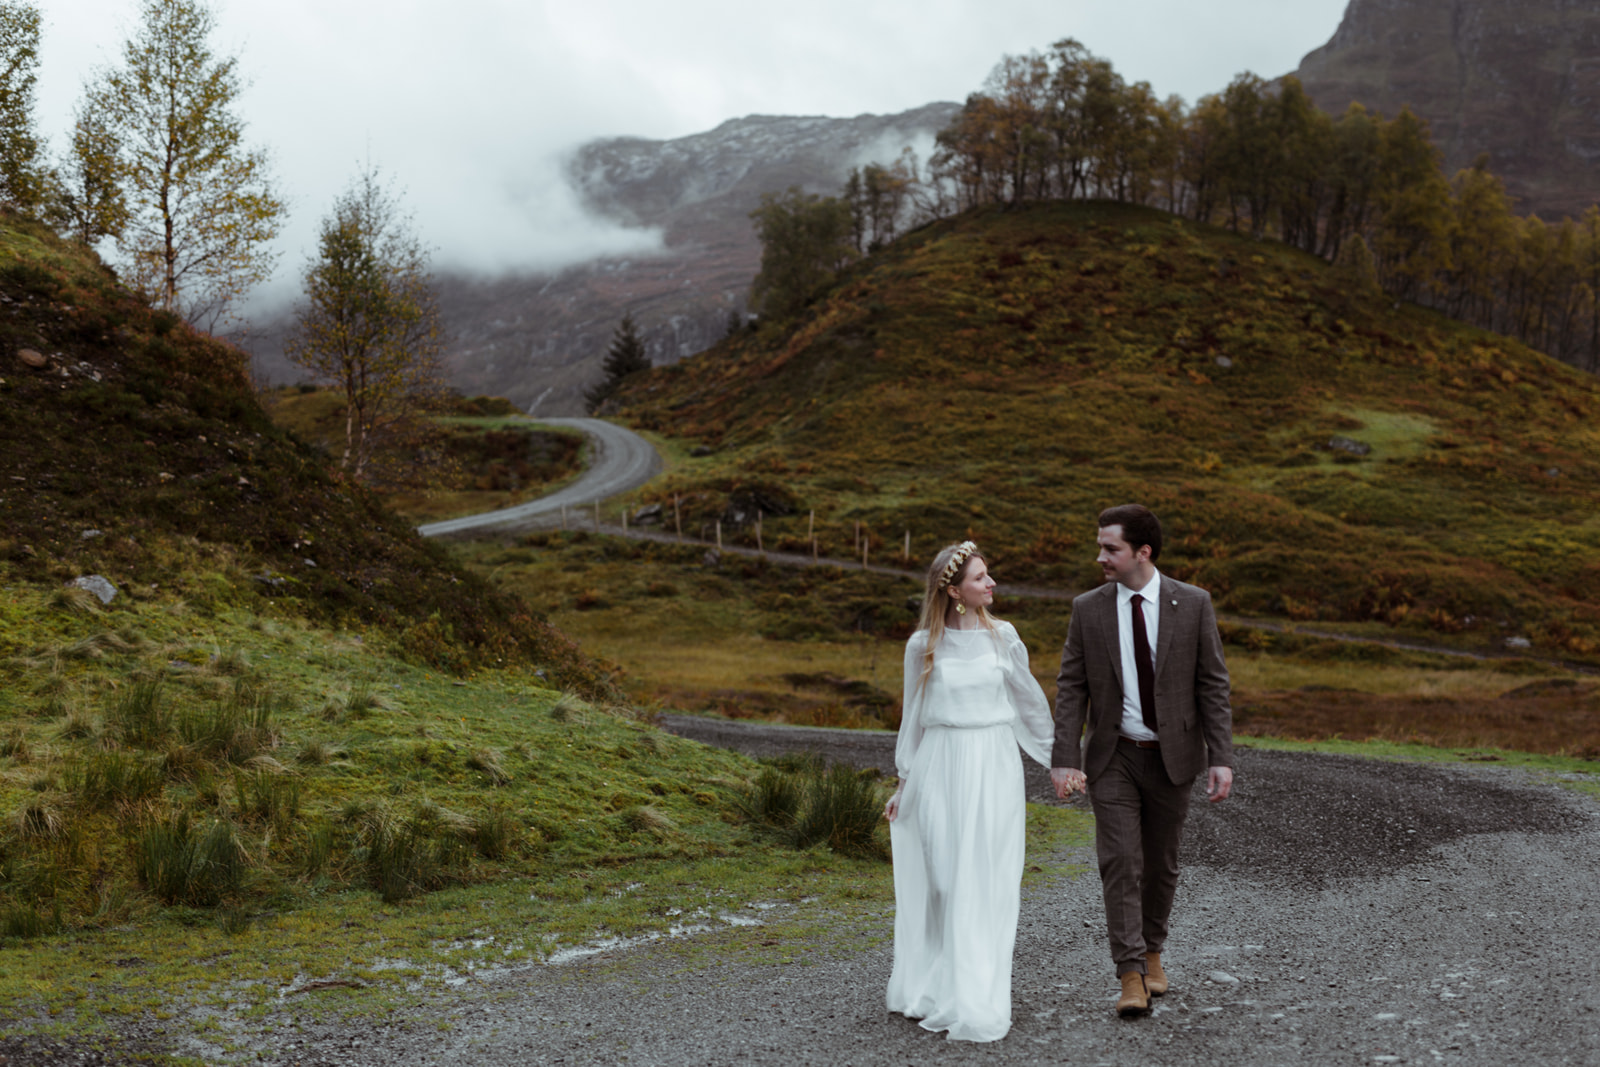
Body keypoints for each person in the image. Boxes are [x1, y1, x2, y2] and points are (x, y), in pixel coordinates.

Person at [1051, 504, 1234, 1017]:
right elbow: (1072, 687)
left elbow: (1212, 684)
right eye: (1101, 547)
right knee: (1120, 863)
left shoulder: (1193, 603)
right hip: (1114, 758)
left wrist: (1220, 755)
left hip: (1174, 758)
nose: (1101, 557)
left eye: (1110, 548)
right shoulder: (1087, 608)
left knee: (1161, 866)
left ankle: (1153, 953)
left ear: (1142, 552)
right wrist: (1065, 757)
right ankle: (1130, 975)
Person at [883, 540, 1055, 1042]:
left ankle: (977, 994)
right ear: (956, 591)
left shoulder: (1004, 637)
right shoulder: (922, 646)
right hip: (939, 763)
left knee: (987, 879)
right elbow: (912, 719)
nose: (992, 584)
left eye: (989, 575)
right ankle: (932, 987)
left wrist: (1060, 762)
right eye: (981, 578)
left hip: (994, 765)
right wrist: (904, 783)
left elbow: (1029, 704)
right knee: (942, 881)